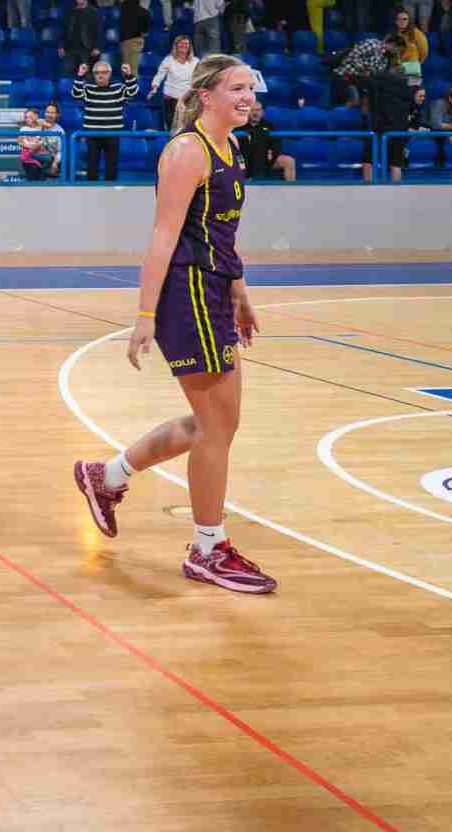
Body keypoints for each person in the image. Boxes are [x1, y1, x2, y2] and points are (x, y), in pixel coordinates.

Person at [74, 55, 275, 594]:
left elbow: (223, 234)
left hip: (215, 291)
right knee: (215, 426)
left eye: (251, 89)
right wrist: (145, 315)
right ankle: (208, 548)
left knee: (219, 423)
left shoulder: (232, 148)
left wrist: (240, 291)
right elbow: (164, 236)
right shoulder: (188, 151)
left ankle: (107, 477)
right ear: (205, 95)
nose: (247, 97)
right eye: (236, 88)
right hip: (187, 295)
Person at [73, 60, 139, 181]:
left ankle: (110, 189)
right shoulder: (88, 88)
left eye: (103, 72)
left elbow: (132, 93)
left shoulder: (118, 88)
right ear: (93, 75)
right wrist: (80, 75)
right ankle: (92, 189)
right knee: (92, 166)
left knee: (111, 166)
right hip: (92, 134)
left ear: (109, 74)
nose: (100, 75)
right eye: (97, 73)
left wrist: (129, 75)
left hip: (112, 134)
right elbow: (76, 94)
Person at [149, 34, 198, 130]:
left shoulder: (195, 61)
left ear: (189, 46)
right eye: (181, 43)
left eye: (186, 43)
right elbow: (159, 75)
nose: (184, 45)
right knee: (172, 127)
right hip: (170, 98)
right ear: (176, 45)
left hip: (187, 98)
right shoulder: (168, 60)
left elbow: (199, 77)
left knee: (187, 127)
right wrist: (154, 88)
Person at [237, 104, 296, 182]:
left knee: (289, 161)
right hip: (247, 159)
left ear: (262, 112)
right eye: (252, 110)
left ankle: (290, 187)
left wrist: (272, 153)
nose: (255, 113)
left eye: (258, 110)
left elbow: (276, 144)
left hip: (266, 159)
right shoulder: (240, 126)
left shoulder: (269, 126)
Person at [62, 0, 102, 79]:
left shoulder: (94, 12)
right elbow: (64, 30)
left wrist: (97, 47)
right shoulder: (70, 12)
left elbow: (99, 32)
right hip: (70, 50)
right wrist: (61, 46)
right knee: (68, 78)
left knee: (86, 78)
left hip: (87, 51)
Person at [17, 108, 58, 181]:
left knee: (49, 158)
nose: (28, 119)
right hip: (29, 153)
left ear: (36, 117)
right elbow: (20, 142)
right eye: (26, 117)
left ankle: (43, 174)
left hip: (39, 152)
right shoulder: (23, 129)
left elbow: (50, 126)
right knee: (32, 167)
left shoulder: (41, 127)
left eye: (30, 117)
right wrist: (29, 146)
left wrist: (38, 121)